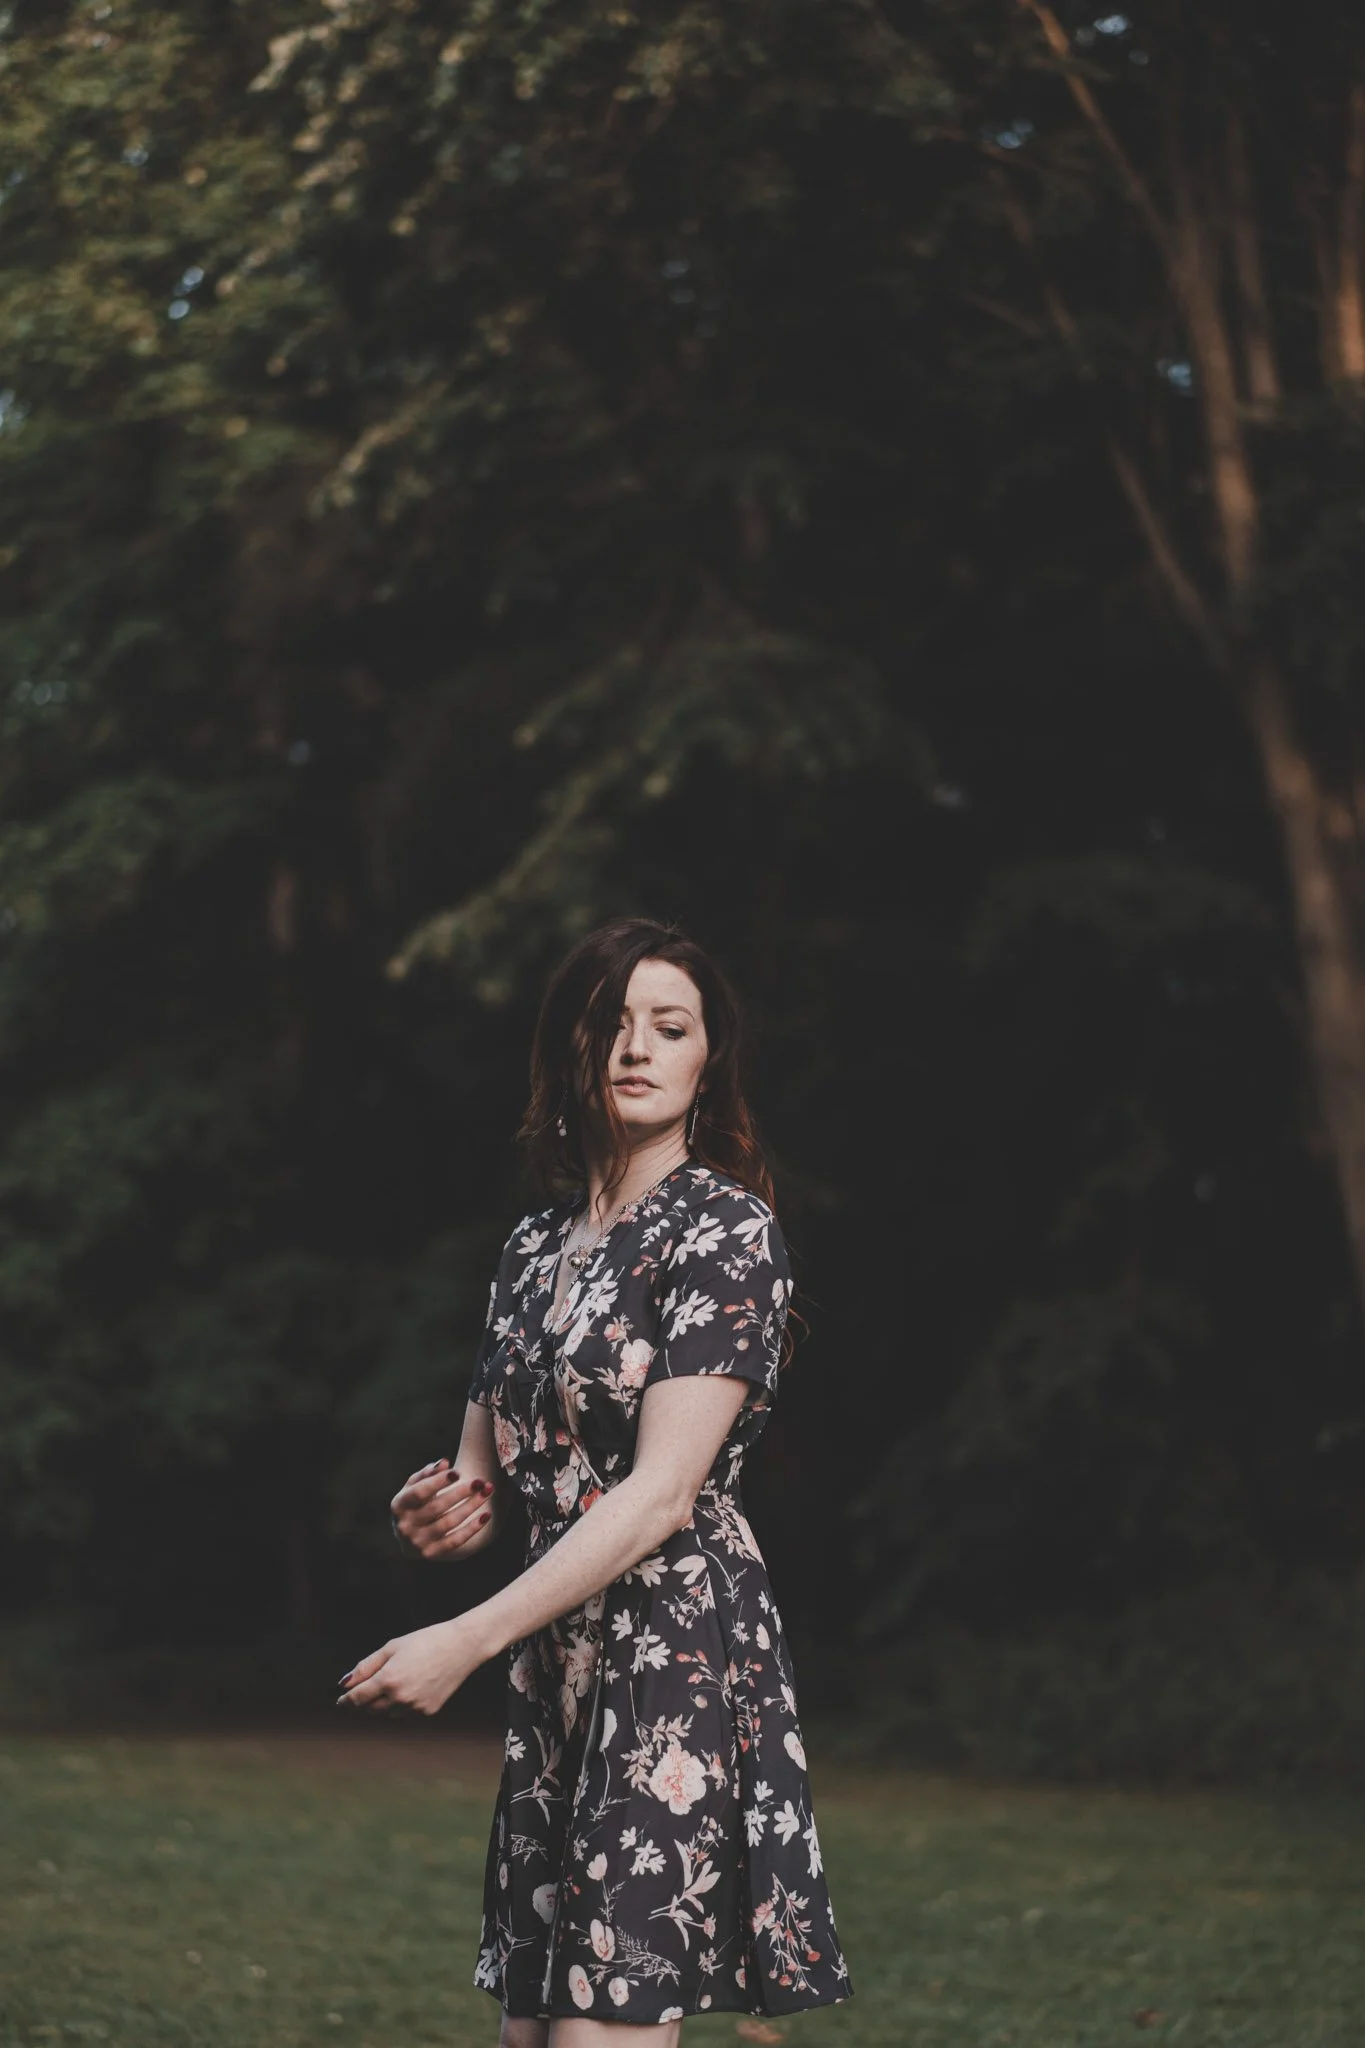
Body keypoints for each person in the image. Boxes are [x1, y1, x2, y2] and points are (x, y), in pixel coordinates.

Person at [338, 917, 851, 2042]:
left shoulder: (726, 1229)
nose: (637, 1048)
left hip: (674, 1647)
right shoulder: (533, 1245)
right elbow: (482, 1475)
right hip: (554, 1657)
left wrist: (463, 1638)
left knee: (601, 2025)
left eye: (670, 1027)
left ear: (706, 1061)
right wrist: (437, 1507)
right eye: (611, 1023)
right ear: (568, 1048)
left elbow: (664, 1492)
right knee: (533, 2027)